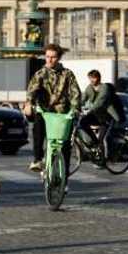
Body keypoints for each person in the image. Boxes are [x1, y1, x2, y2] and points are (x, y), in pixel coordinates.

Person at [23, 44, 81, 173]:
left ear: (59, 58)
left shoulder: (67, 74)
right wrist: (28, 103)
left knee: (65, 145)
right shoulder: (41, 73)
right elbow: (32, 89)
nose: (49, 60)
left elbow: (75, 93)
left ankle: (64, 178)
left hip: (63, 113)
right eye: (47, 56)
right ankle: (38, 159)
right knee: (38, 128)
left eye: (53, 57)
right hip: (45, 112)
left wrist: (75, 109)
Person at [78, 69, 123, 161]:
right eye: (90, 78)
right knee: (82, 122)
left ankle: (105, 158)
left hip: (107, 115)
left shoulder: (104, 88)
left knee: (103, 138)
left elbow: (100, 102)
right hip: (97, 115)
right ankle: (94, 142)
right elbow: (83, 99)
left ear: (98, 78)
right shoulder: (89, 88)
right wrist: (76, 107)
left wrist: (89, 110)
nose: (92, 80)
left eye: (93, 78)